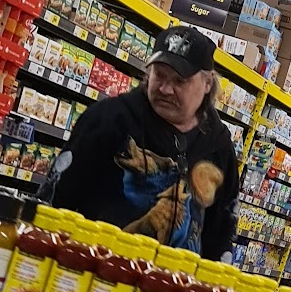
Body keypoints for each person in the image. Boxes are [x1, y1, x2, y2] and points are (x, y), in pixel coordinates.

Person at [43, 25, 238, 258]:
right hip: (98, 268)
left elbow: (221, 233)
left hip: (177, 277)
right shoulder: (109, 119)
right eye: (159, 75)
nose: (165, 89)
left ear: (207, 83)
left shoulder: (219, 147)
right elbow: (56, 198)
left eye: (179, 81)